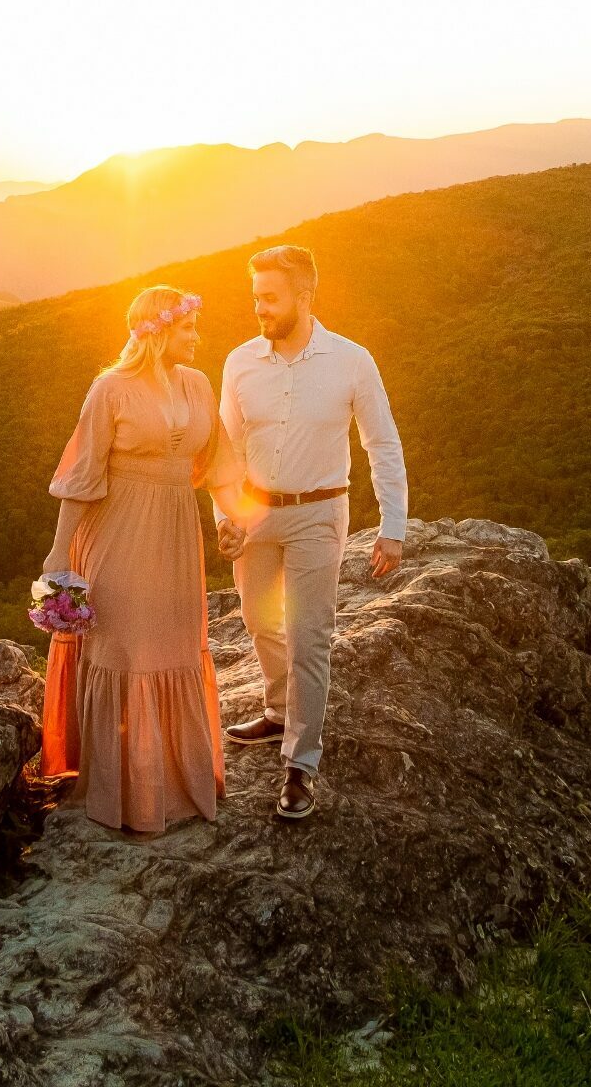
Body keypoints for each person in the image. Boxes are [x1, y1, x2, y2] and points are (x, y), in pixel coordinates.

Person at [212, 244, 408, 822]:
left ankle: (301, 762)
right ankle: (277, 710)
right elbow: (224, 449)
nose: (259, 310)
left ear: (304, 296)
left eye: (269, 298)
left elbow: (383, 443)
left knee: (309, 634)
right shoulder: (239, 362)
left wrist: (392, 527)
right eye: (255, 299)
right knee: (255, 617)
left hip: (321, 514)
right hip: (256, 514)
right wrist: (225, 516)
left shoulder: (351, 361)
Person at [39, 284, 228, 833]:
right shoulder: (110, 390)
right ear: (159, 330)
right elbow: (81, 479)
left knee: (173, 646)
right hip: (116, 531)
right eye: (188, 327)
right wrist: (58, 554)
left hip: (175, 530)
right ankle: (122, 790)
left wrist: (232, 523)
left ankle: (173, 781)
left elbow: (217, 464)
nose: (196, 337)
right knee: (126, 647)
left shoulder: (198, 385)